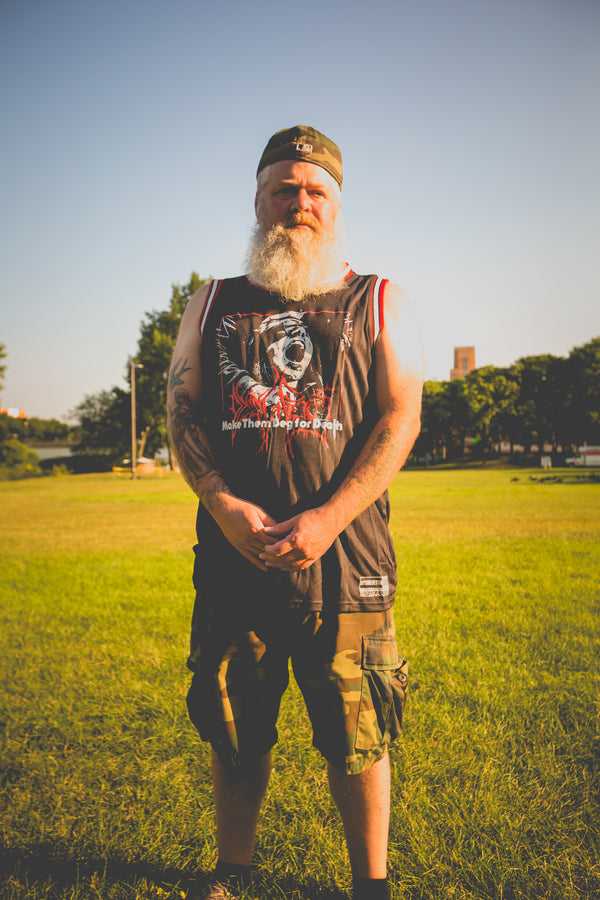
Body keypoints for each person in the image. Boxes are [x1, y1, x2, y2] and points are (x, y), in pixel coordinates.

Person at [167, 125, 423, 900]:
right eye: (284, 188)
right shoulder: (212, 302)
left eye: (316, 192)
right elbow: (183, 412)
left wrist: (330, 516)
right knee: (237, 726)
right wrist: (222, 502)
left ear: (336, 208)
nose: (299, 203)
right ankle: (232, 873)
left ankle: (369, 886)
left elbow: (399, 418)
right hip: (232, 558)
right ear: (257, 200)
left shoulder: (377, 298)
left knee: (359, 734)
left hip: (346, 563)